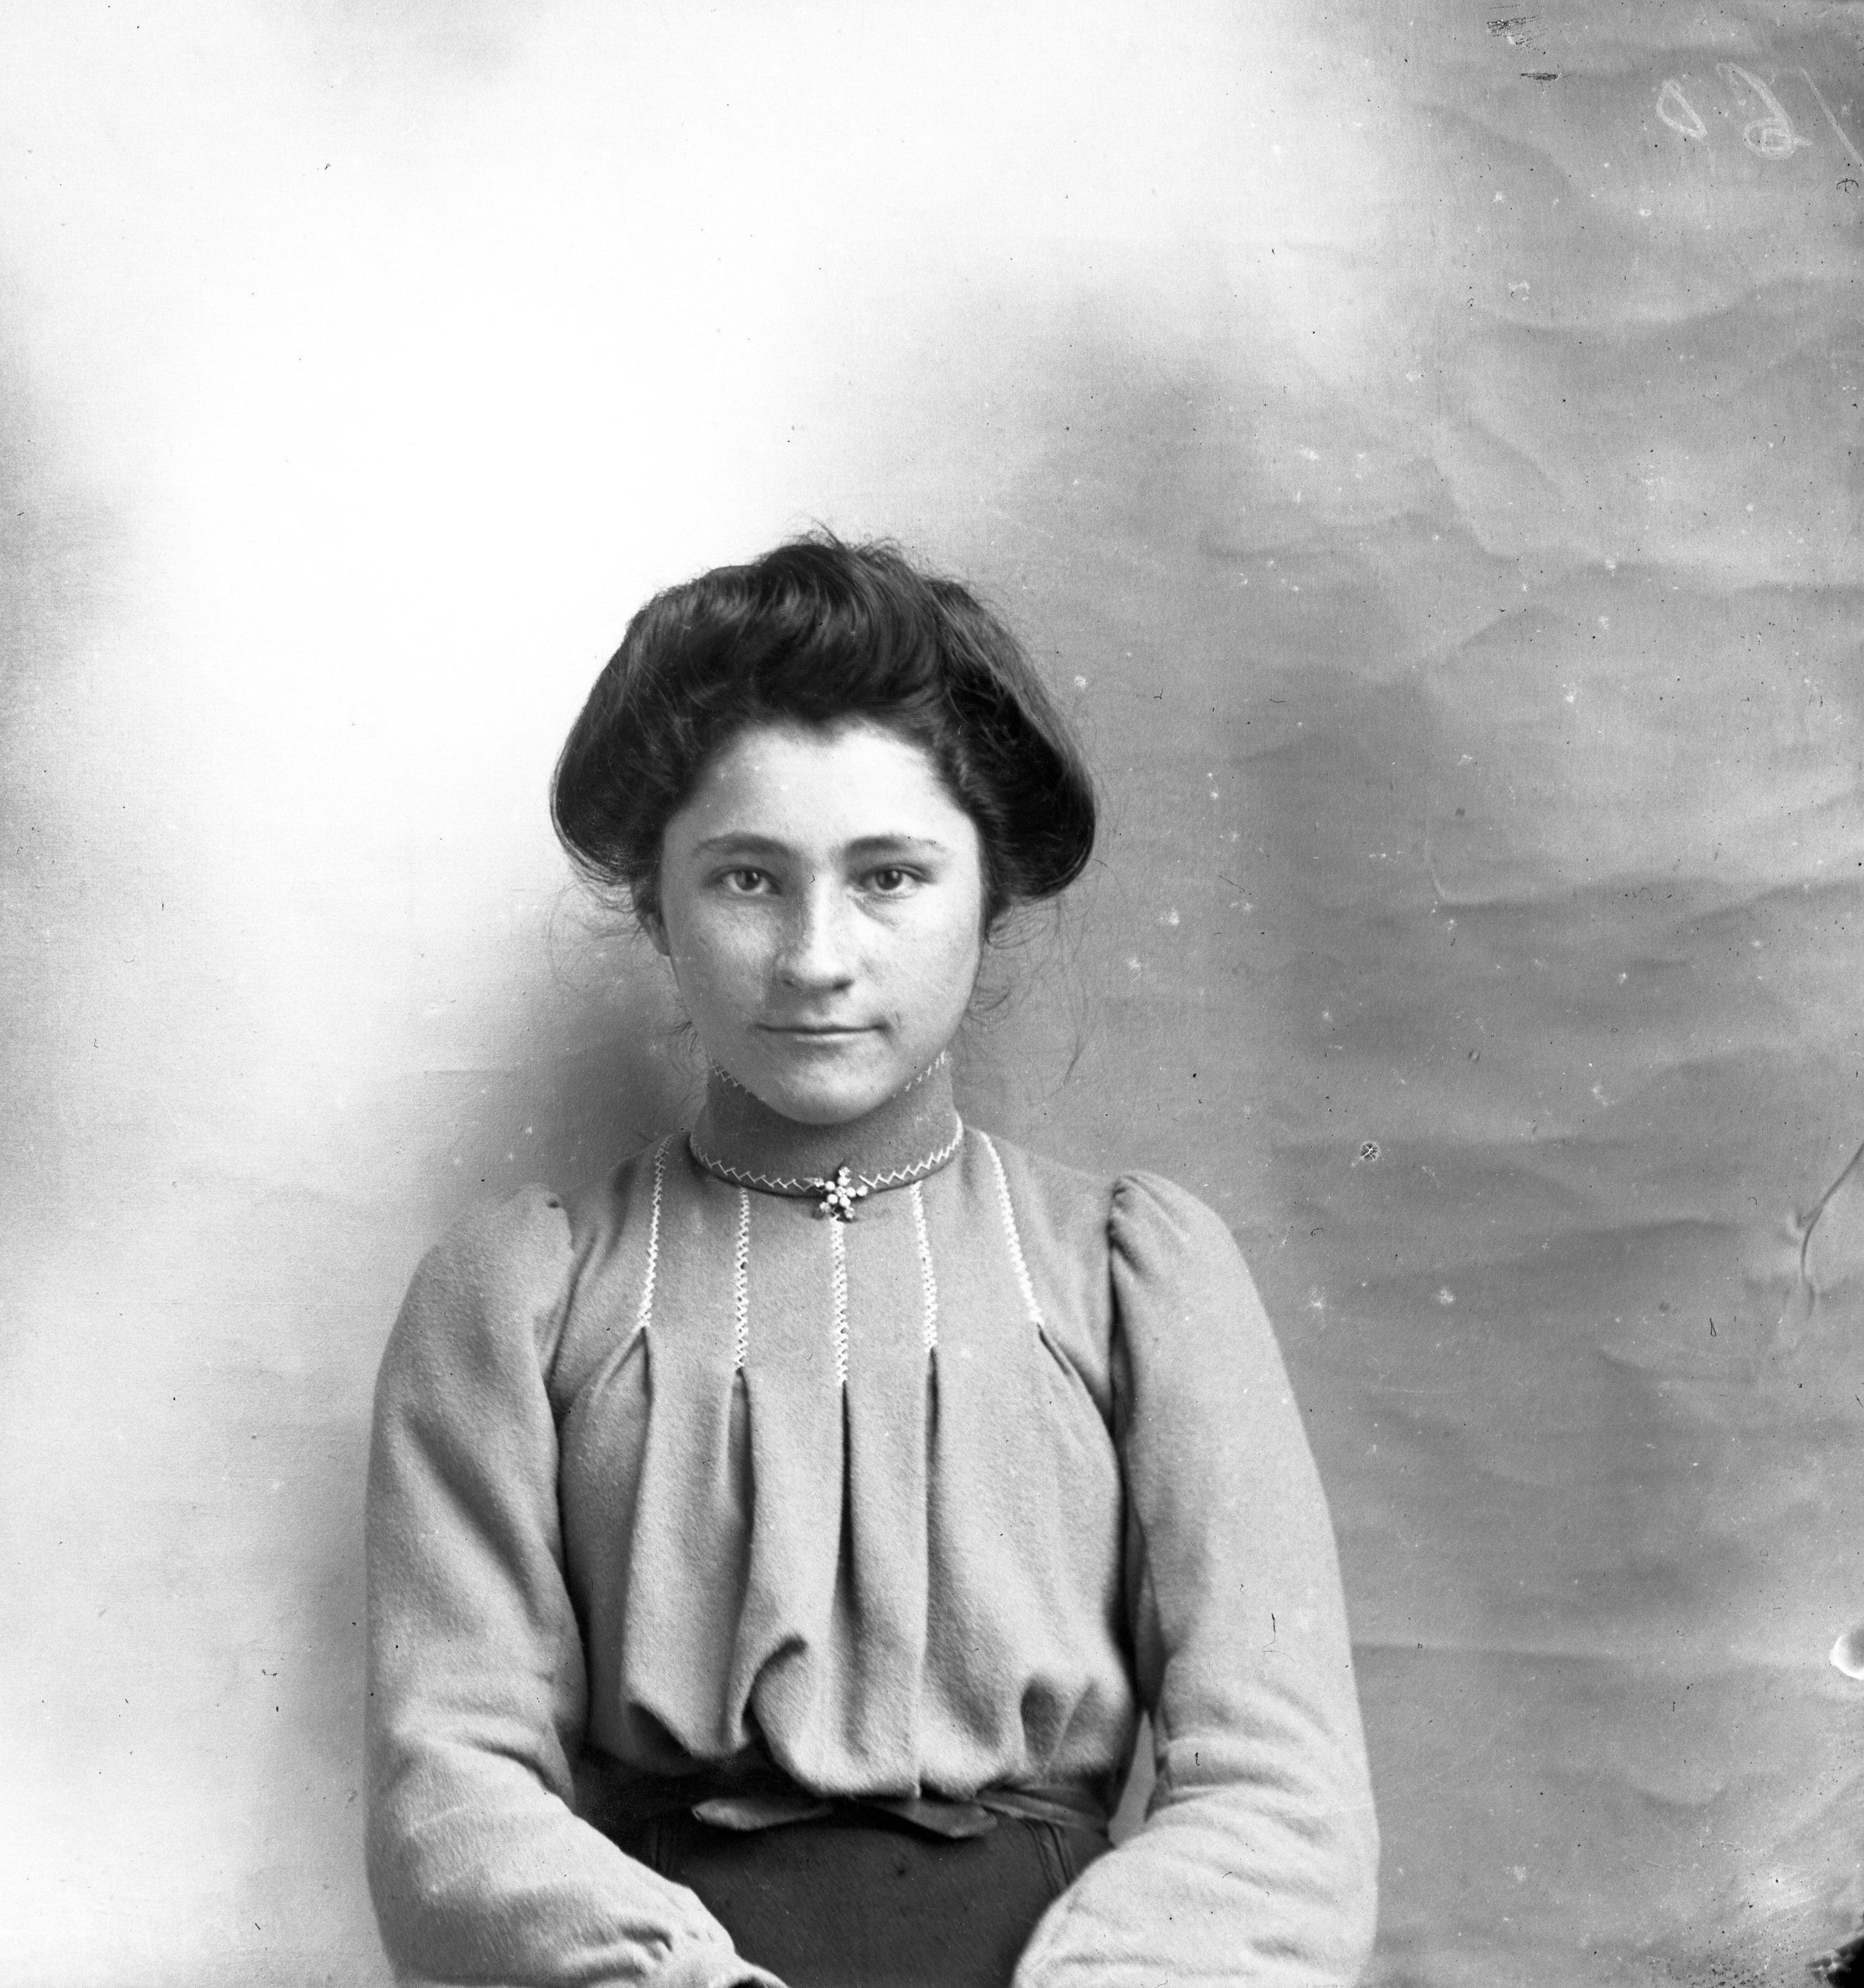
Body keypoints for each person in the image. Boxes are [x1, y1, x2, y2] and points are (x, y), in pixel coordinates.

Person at [364, 535, 1379, 1988]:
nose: (817, 958)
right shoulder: (522, 1298)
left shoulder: (1132, 1277)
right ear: (655, 902)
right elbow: (448, 1789)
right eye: (747, 879)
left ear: (991, 893)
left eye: (890, 876)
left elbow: (1284, 1798)